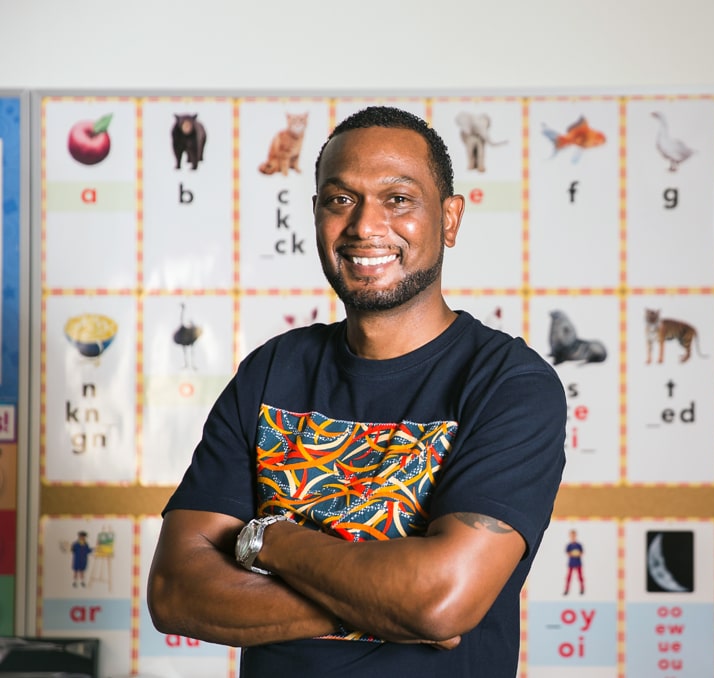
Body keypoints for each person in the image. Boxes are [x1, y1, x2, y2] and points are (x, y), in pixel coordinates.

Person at [147, 106, 567, 677]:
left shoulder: (508, 384)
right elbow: (175, 590)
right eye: (340, 199)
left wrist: (269, 542)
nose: (365, 226)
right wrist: (397, 608)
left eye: (398, 199)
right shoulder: (272, 371)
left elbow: (439, 600)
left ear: (449, 219)